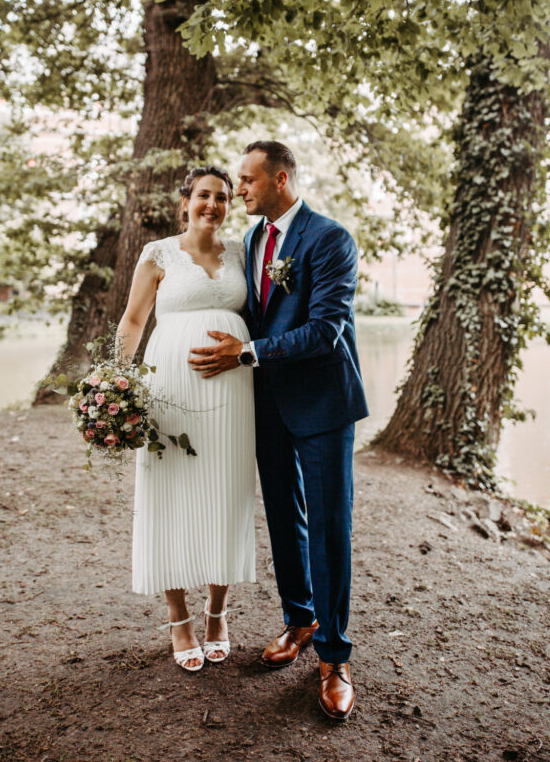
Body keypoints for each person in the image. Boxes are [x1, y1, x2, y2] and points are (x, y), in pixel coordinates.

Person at [188, 141, 368, 719]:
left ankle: (334, 658)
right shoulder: (252, 240)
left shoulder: (330, 239)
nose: (239, 189)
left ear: (280, 180)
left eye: (247, 180)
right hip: (268, 405)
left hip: (323, 404)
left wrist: (247, 355)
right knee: (285, 521)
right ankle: (300, 620)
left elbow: (326, 329)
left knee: (329, 528)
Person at [116, 166, 256, 673]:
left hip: (233, 391)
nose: (212, 204)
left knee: (227, 492)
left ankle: (218, 611)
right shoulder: (158, 254)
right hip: (170, 387)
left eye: (222, 197)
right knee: (169, 491)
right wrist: (115, 381)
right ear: (185, 201)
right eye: (203, 195)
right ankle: (178, 618)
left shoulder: (242, 252)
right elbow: (134, 319)